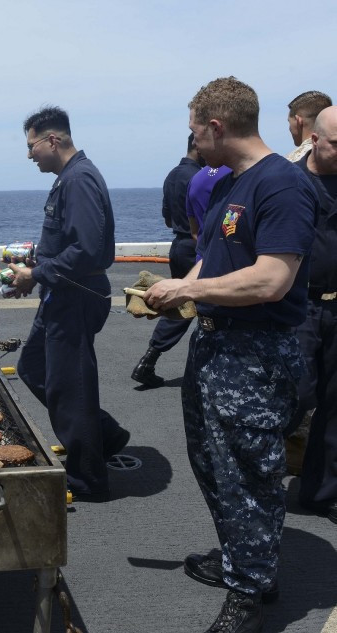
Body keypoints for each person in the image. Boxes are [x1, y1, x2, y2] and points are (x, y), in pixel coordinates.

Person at [144, 76, 317, 632]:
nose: (192, 141)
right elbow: (212, 261)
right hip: (215, 344)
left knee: (249, 472)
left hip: (257, 353)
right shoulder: (225, 184)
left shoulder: (282, 185)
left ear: (215, 127)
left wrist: (188, 291)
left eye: (195, 130)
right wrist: (179, 292)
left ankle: (249, 595)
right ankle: (242, 558)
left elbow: (272, 279)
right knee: (213, 463)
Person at [7, 105, 130, 501]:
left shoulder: (78, 180)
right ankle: (103, 434)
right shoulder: (70, 178)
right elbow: (70, 243)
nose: (29, 155)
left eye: (32, 146)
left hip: (76, 298)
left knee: (71, 387)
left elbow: (88, 251)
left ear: (52, 140)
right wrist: (37, 264)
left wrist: (36, 274)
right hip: (62, 293)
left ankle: (87, 478)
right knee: (33, 366)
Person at [292, 105, 337, 524]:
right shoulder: (290, 182)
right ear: (315, 139)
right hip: (300, 305)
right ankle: (265, 472)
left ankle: (321, 493)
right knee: (296, 395)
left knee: (333, 404)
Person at [132, 133, 205, 387]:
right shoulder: (202, 177)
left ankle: (149, 358)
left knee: (180, 305)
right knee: (198, 306)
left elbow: (167, 219)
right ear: (198, 144)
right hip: (197, 247)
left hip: (178, 245)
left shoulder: (172, 175)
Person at [187, 164, 233, 242]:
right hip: (231, 249)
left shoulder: (195, 178)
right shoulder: (238, 173)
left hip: (204, 250)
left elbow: (194, 232)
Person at [285, 90, 332, 162]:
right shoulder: (331, 154)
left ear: (298, 121)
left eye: (289, 122)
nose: (289, 129)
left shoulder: (290, 162)